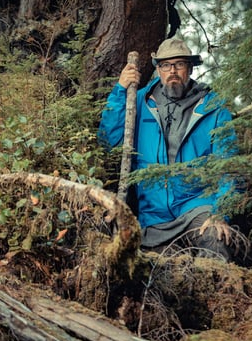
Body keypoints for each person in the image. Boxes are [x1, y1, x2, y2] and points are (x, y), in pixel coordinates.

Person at [98, 38, 238, 261]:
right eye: (165, 65)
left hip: (197, 207)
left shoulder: (213, 108)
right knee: (161, 268)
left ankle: (219, 284)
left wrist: (220, 213)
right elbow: (109, 142)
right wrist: (120, 90)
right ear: (158, 69)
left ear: (190, 68)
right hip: (153, 217)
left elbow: (227, 166)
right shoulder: (139, 101)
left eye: (179, 64)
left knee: (216, 238)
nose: (172, 71)